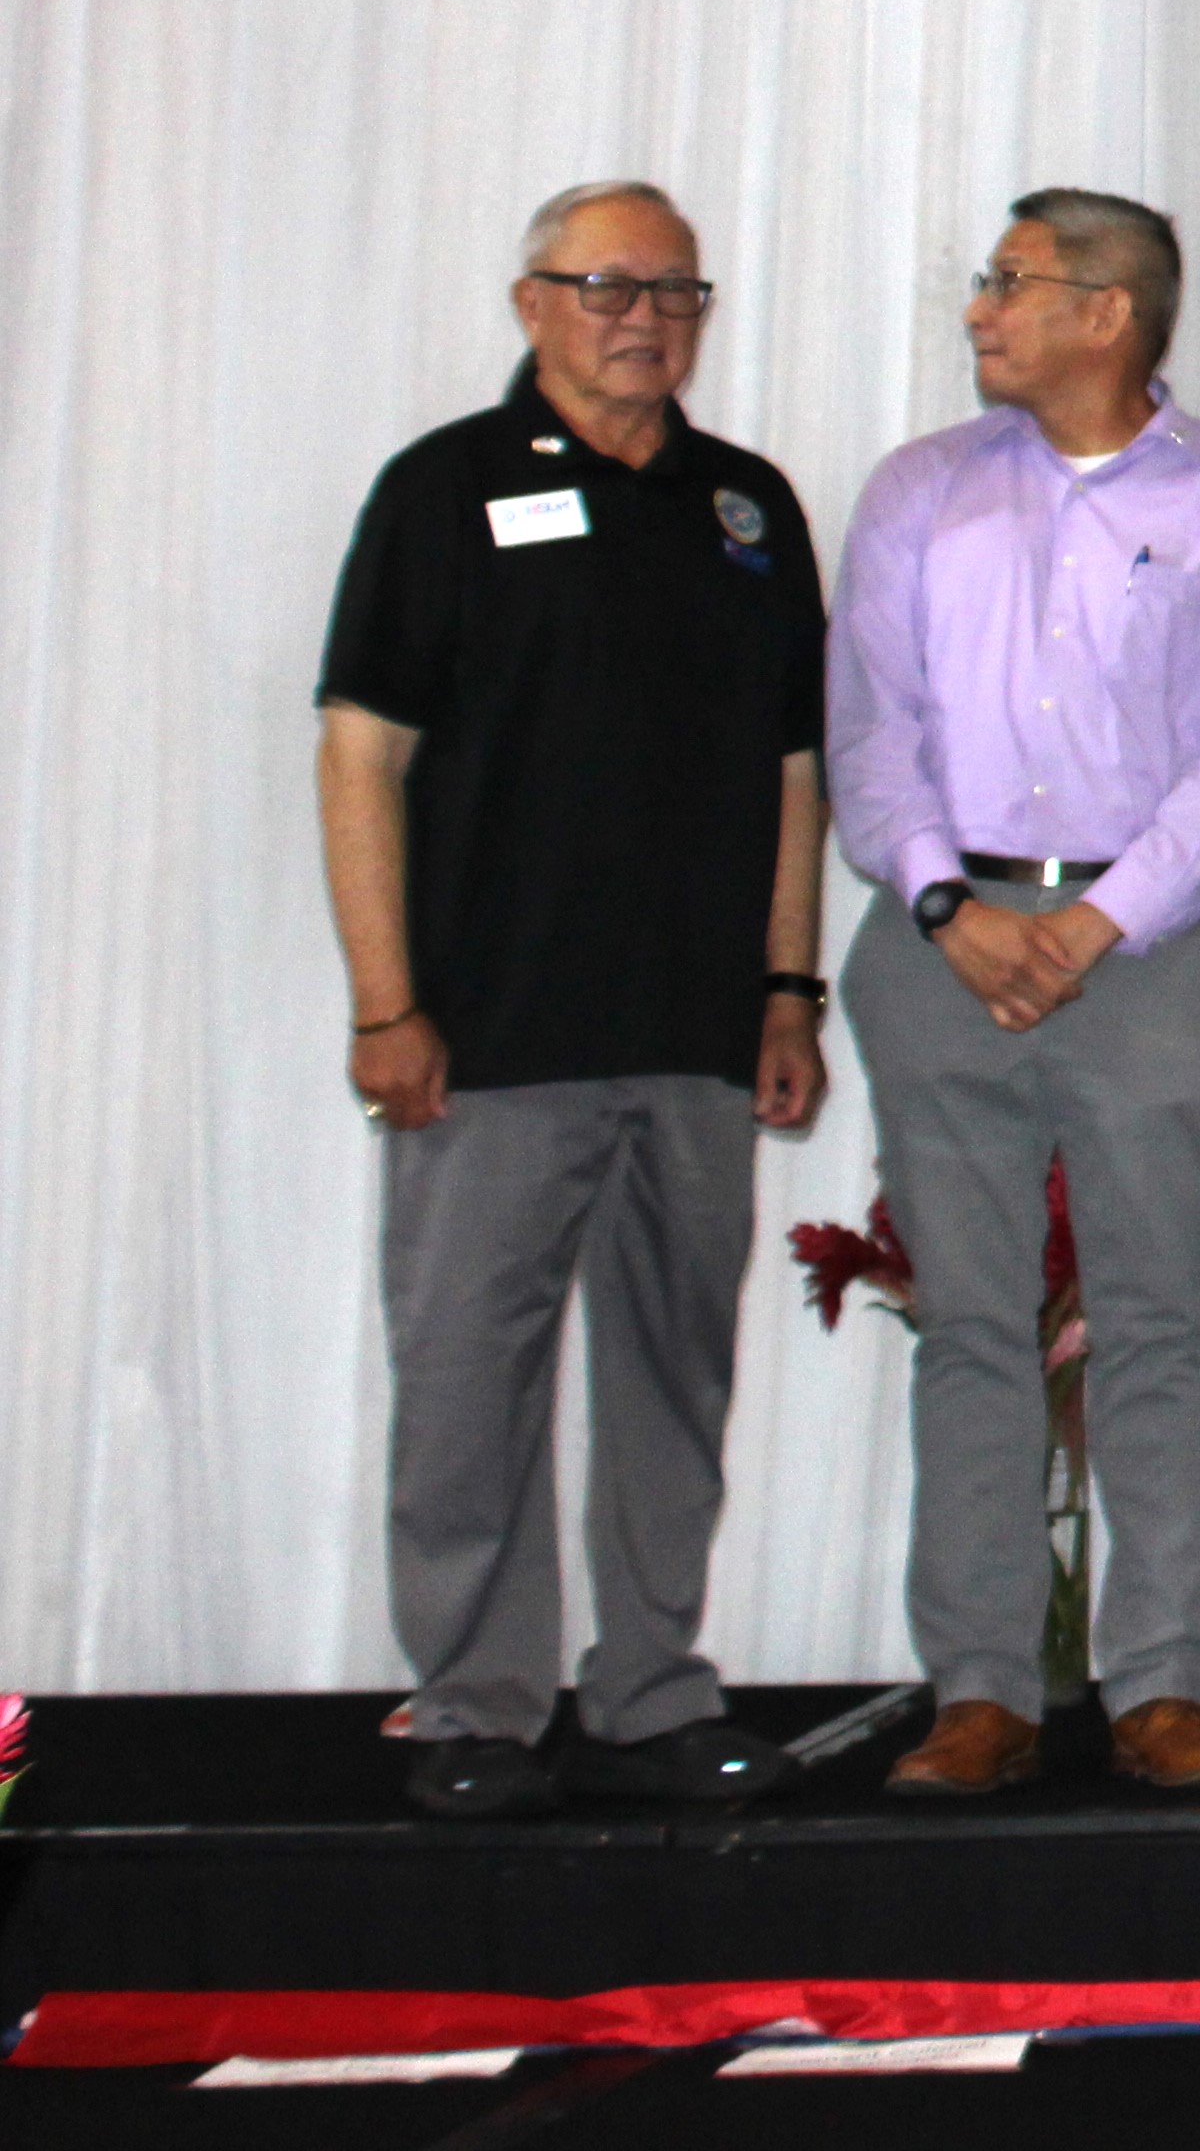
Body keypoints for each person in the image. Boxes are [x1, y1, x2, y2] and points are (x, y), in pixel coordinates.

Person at [318, 180, 831, 1819]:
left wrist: (785, 986)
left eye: (674, 291)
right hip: (490, 1037)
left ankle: (652, 1690)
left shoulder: (745, 509)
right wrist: (385, 1003)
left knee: (672, 1380)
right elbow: (360, 754)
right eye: (607, 285)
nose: (642, 317)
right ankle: (475, 1707)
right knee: (471, 1380)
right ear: (533, 302)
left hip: (695, 1036)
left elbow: (793, 767)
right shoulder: (443, 492)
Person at [830, 190, 1200, 1799]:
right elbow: (870, 729)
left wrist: (1100, 922)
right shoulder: (919, 493)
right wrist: (950, 906)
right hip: (940, 947)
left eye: (1012, 283)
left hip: (1151, 959)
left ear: (1109, 313)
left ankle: (1164, 1686)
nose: (981, 308)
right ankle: (981, 1692)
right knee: (969, 1327)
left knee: (1157, 1329)